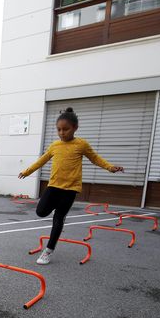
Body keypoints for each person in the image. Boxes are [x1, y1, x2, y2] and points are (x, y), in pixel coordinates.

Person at [18, 107, 123, 265]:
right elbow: (42, 160)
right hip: (54, 186)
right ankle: (59, 211)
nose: (62, 133)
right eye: (59, 130)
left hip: (70, 189)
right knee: (40, 211)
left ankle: (48, 251)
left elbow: (95, 158)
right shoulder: (55, 146)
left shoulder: (81, 144)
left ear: (75, 128)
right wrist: (27, 171)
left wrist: (109, 167)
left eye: (65, 129)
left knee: (58, 219)